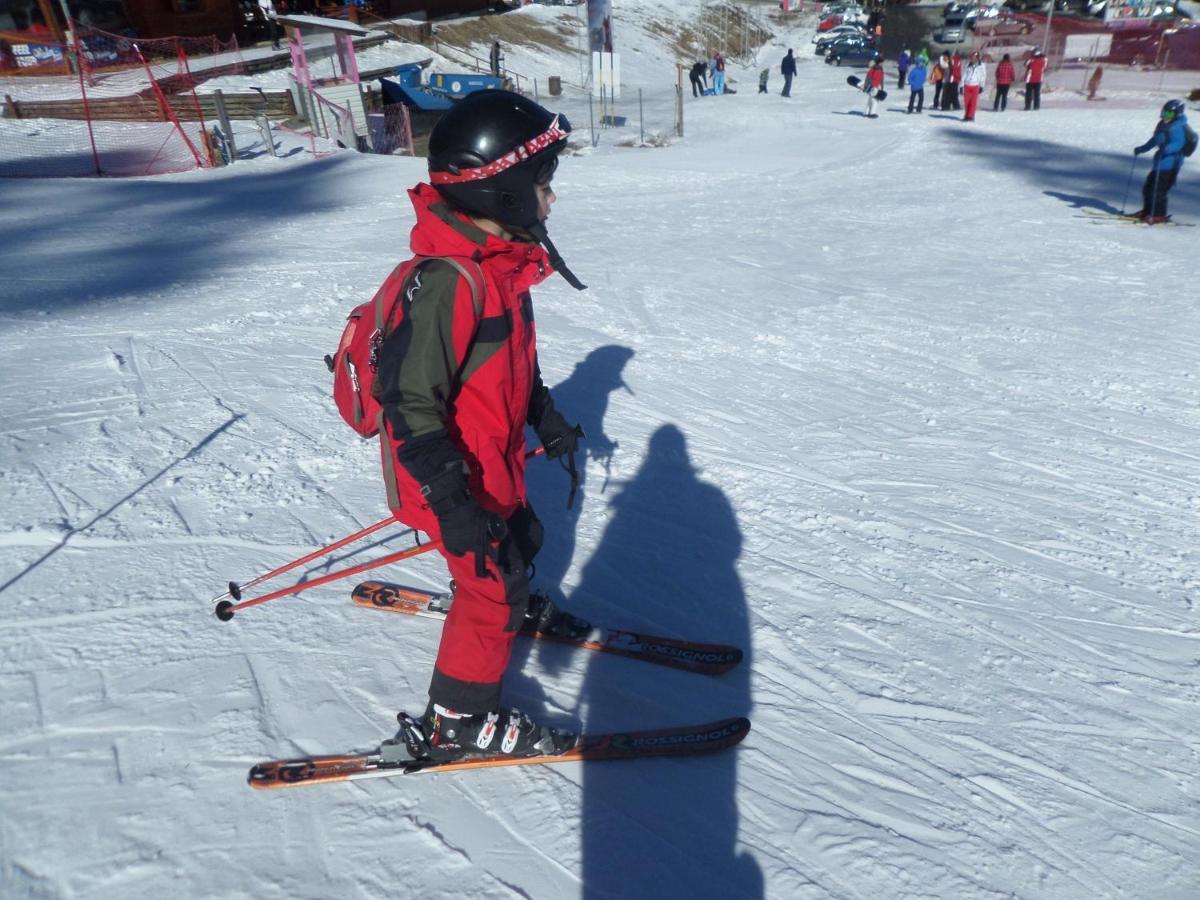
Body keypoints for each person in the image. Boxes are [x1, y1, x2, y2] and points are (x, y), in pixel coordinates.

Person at [373, 91, 587, 761]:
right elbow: (408, 402)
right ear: (503, 193)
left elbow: (508, 363)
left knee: (519, 540)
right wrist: (452, 501)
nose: (551, 200)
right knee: (491, 583)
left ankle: (512, 601)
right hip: (445, 475)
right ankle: (456, 722)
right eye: (542, 185)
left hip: (489, 465)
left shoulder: (499, 270)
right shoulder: (449, 283)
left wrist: (542, 414)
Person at [1132, 99, 1190, 224]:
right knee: (1148, 188)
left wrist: (1168, 148)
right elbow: (1156, 139)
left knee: (1158, 191)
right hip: (1159, 163)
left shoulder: (1177, 127)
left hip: (1170, 164)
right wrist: (1143, 148)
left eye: (1168, 114)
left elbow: (1179, 143)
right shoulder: (1163, 125)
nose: (1164, 116)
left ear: (1177, 114)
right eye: (1164, 112)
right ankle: (1147, 211)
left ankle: (1159, 215)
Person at [961, 51, 986, 121]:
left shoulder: (981, 66)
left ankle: (971, 116)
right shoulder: (967, 65)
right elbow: (964, 75)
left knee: (973, 102)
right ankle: (966, 115)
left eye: (974, 57)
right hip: (967, 85)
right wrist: (961, 85)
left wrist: (982, 86)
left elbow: (983, 76)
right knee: (967, 102)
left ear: (977, 58)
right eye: (971, 57)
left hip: (975, 85)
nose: (972, 59)